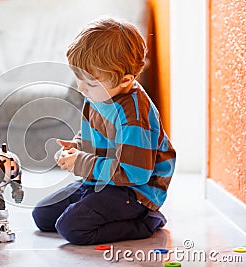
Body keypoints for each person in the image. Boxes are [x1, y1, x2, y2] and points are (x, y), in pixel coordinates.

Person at [32, 17, 176, 245]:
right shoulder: (99, 94)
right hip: (102, 180)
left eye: (89, 83)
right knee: (42, 215)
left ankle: (147, 220)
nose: (80, 88)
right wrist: (77, 147)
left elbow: (135, 174)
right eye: (78, 78)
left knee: (72, 228)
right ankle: (97, 203)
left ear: (125, 80)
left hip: (133, 193)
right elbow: (93, 135)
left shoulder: (134, 117)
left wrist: (81, 163)